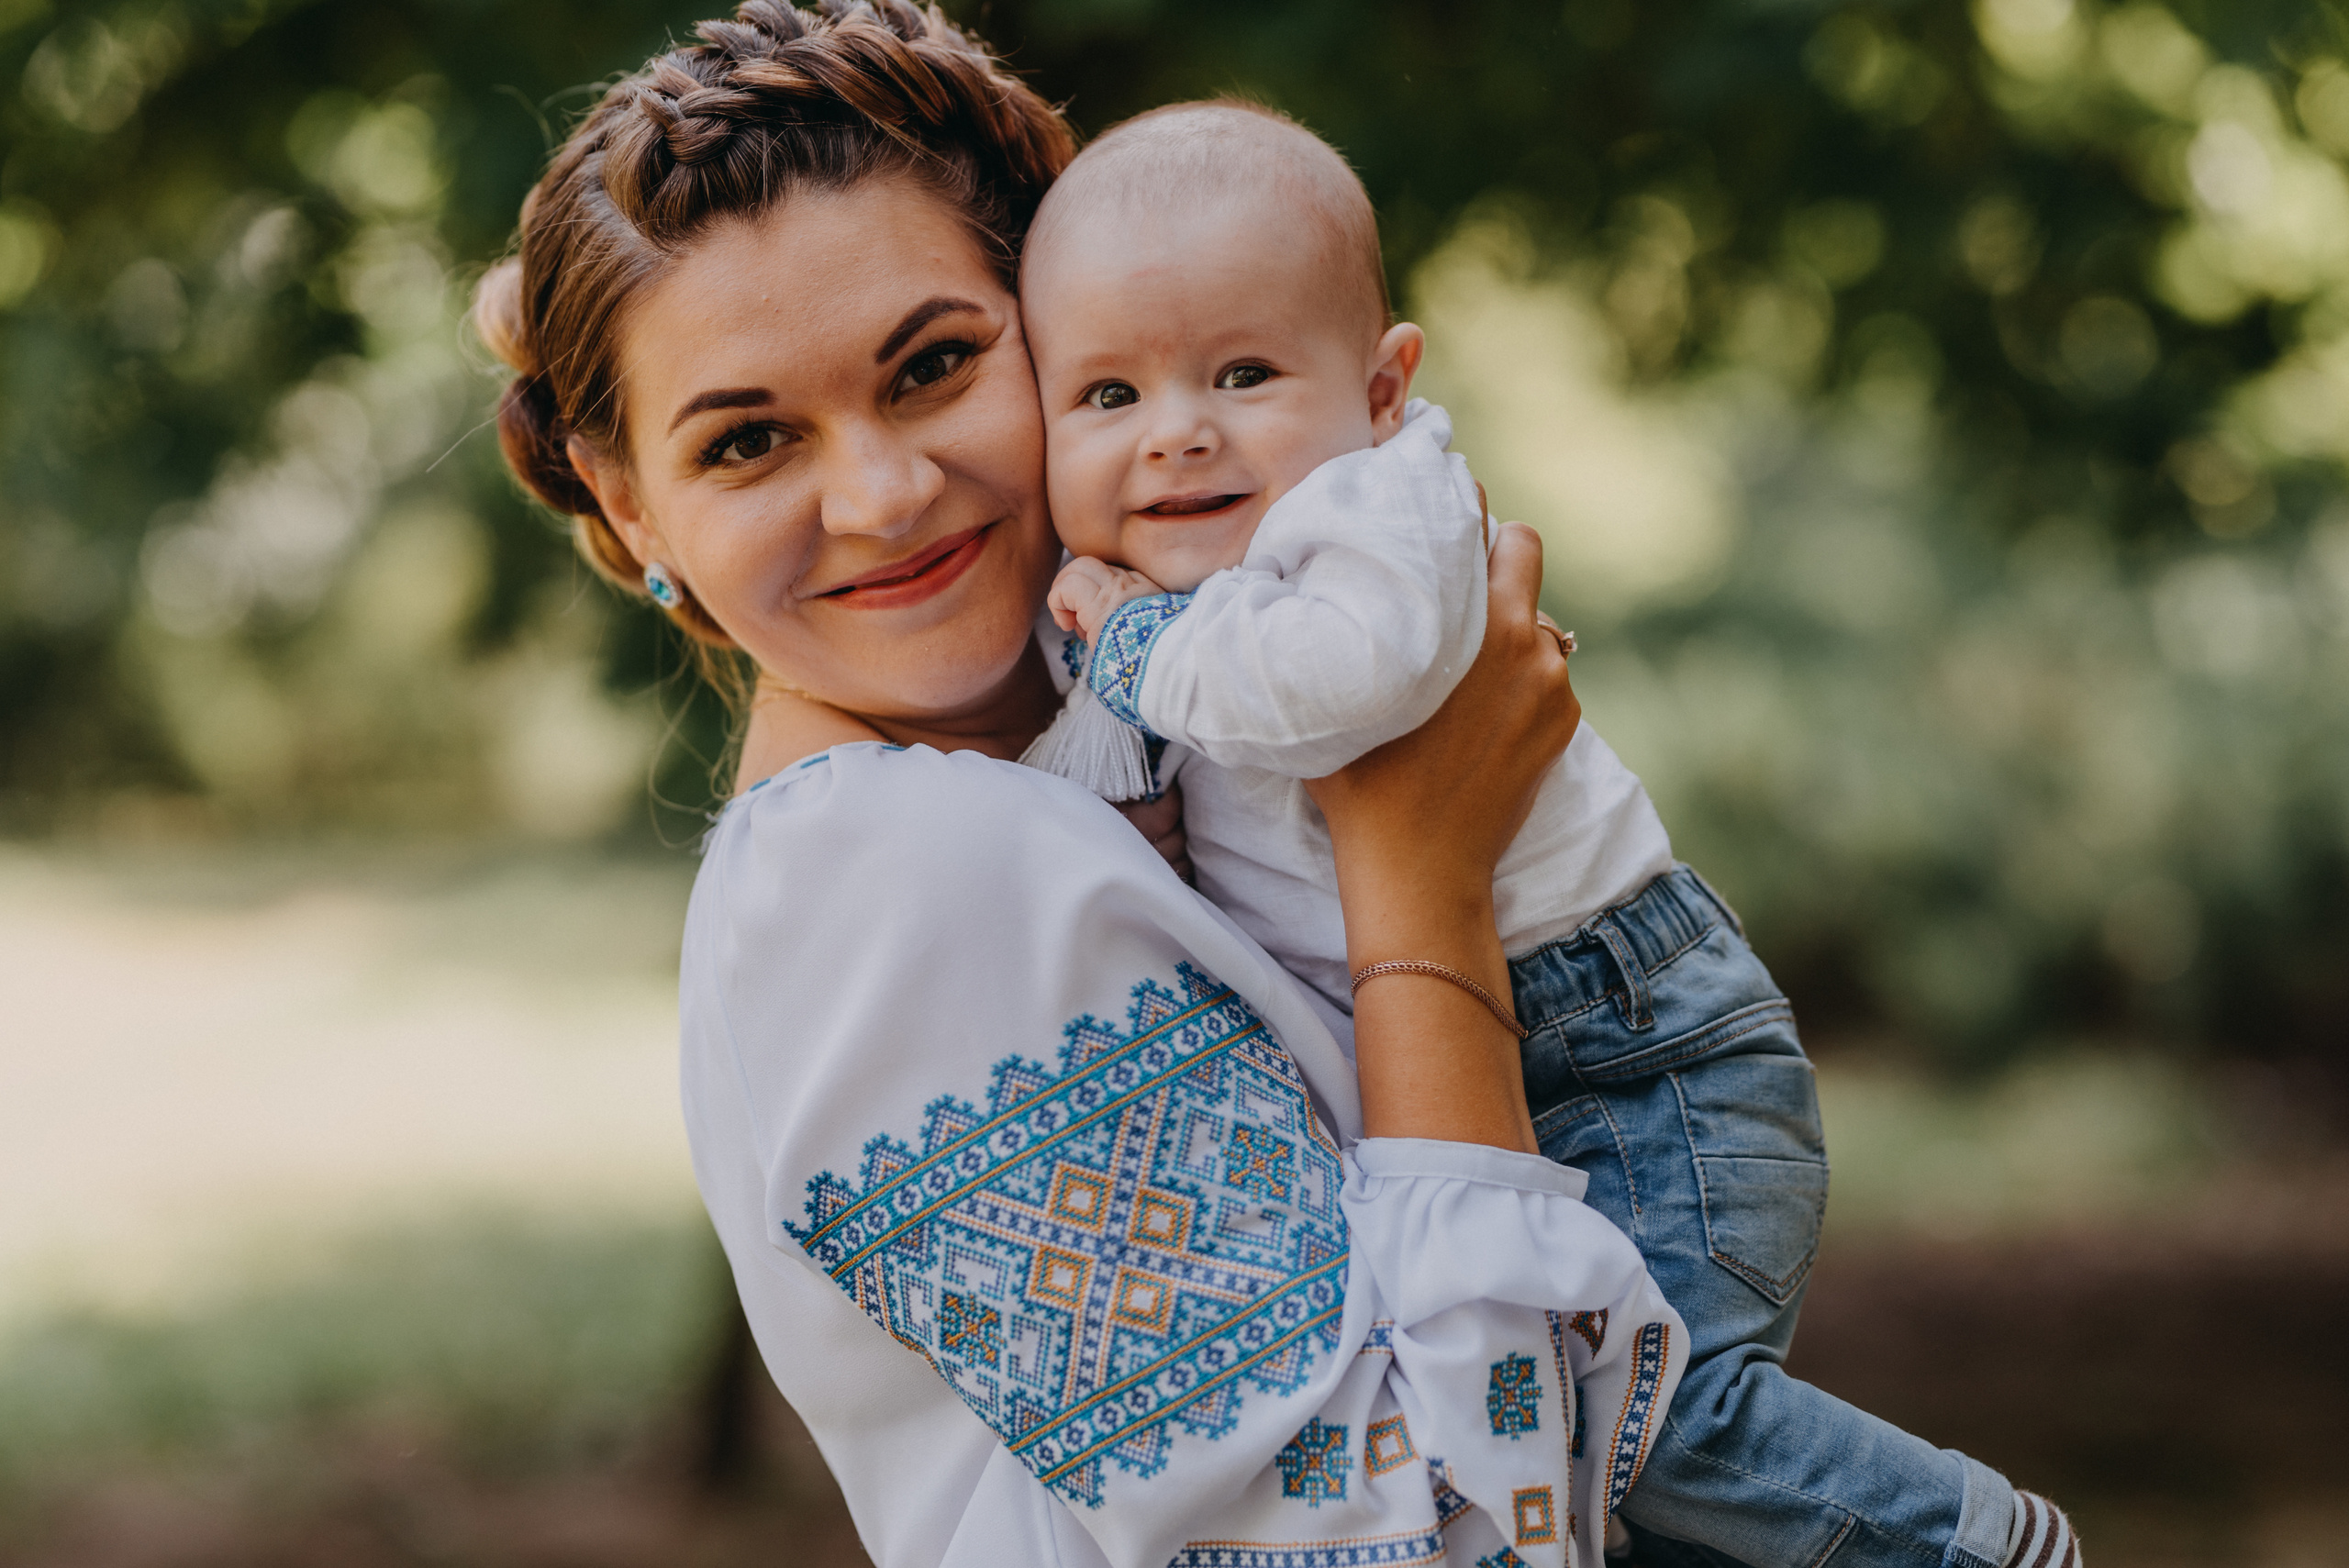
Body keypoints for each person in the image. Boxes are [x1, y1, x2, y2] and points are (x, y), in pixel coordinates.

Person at [471, 5, 1695, 1565]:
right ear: (630, 505)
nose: (883, 492)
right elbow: (1446, 1537)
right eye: (747, 444)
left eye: (932, 365)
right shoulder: (909, 871)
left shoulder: (1077, 791)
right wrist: (1418, 877)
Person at [1013, 101, 2084, 1568]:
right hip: (1492, 1048)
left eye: (1245, 372)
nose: (1179, 428)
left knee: (1648, 1418)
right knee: (1596, 1476)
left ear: (1385, 385)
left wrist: (1130, 644)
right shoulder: (1145, 587)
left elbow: (1338, 693)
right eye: (1107, 396)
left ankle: (1978, 1542)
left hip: (1632, 1044)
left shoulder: (1382, 514)